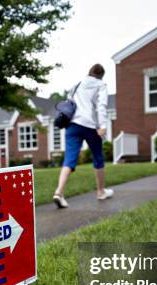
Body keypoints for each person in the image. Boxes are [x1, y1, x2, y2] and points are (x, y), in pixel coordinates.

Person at [53, 63, 114, 209]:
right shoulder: (101, 84)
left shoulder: (77, 85)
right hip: (89, 126)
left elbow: (70, 103)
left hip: (72, 126)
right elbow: (101, 105)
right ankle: (100, 192)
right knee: (98, 157)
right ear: (101, 75)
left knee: (69, 159)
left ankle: (59, 192)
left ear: (89, 72)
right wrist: (103, 126)